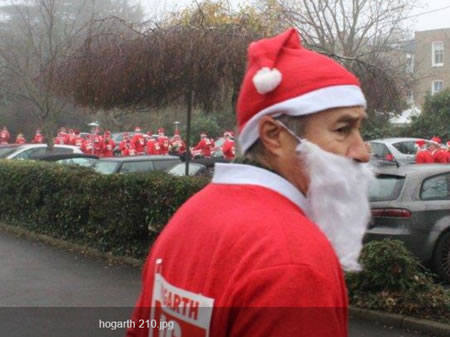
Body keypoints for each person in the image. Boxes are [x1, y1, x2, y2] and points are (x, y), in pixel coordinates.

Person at [127, 28, 372, 337]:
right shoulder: (294, 259)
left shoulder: (189, 216)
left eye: (359, 129)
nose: (363, 152)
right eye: (343, 129)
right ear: (273, 136)